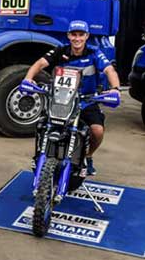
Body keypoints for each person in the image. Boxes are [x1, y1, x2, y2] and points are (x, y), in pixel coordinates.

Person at [21, 19, 121, 175]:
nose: (77, 38)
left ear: (87, 36)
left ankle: (88, 156)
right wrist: (28, 78)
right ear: (68, 35)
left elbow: (109, 70)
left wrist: (115, 89)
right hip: (61, 101)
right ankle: (39, 156)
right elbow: (39, 63)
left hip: (86, 101)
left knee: (97, 131)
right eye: (74, 35)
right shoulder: (60, 51)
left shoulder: (94, 52)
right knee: (42, 126)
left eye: (81, 35)